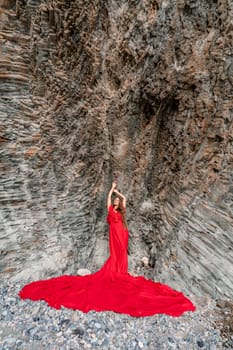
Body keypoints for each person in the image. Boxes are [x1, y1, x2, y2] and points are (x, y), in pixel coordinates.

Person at [19, 182, 196, 317]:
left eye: (118, 201)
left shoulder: (121, 211)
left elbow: (126, 200)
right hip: (115, 235)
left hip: (123, 234)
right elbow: (107, 201)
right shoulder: (111, 209)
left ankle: (120, 271)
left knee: (121, 255)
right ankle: (117, 271)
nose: (118, 202)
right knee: (115, 255)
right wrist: (111, 190)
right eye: (116, 201)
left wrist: (119, 192)